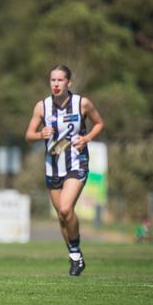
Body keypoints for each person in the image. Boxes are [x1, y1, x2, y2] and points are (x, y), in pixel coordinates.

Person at [24, 65, 104, 276]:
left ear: (69, 82)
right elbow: (28, 135)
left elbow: (99, 124)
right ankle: (75, 256)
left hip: (77, 164)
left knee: (66, 209)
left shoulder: (82, 103)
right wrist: (41, 134)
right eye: (53, 80)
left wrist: (86, 139)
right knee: (62, 217)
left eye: (60, 80)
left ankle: (75, 251)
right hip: (52, 166)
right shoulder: (42, 107)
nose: (56, 84)